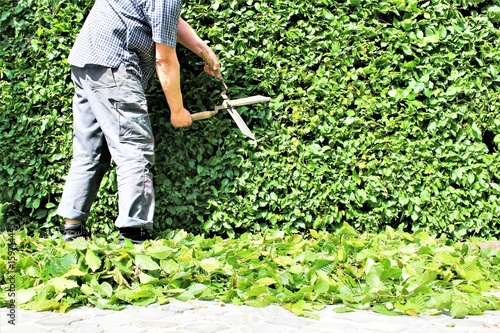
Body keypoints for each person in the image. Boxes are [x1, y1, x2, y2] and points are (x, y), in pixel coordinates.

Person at [56, 0, 220, 243]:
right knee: (135, 151)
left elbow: (166, 20)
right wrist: (177, 110)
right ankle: (133, 239)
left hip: (86, 62)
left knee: (90, 151)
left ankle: (72, 233)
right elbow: (164, 60)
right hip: (114, 66)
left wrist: (201, 48)